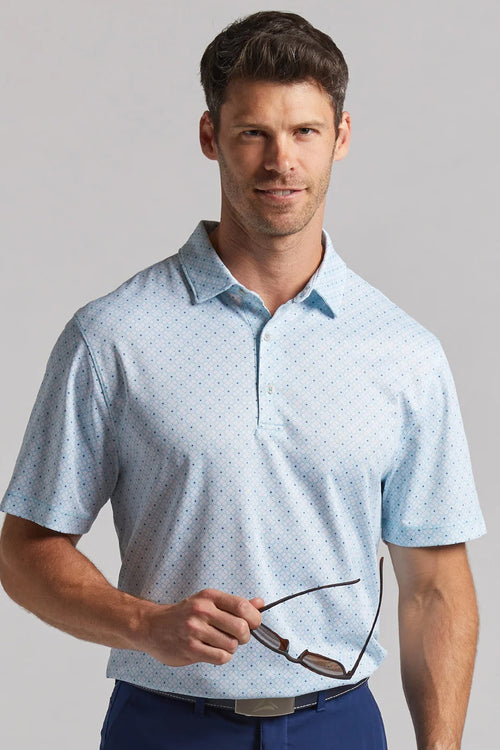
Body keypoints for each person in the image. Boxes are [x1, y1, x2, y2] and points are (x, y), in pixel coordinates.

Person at [0, 10, 486, 750]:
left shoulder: (404, 352)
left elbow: (436, 586)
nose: (280, 161)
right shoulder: (113, 335)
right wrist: (145, 624)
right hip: (163, 727)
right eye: (254, 132)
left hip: (340, 727)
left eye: (304, 132)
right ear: (211, 136)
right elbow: (24, 548)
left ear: (341, 137)